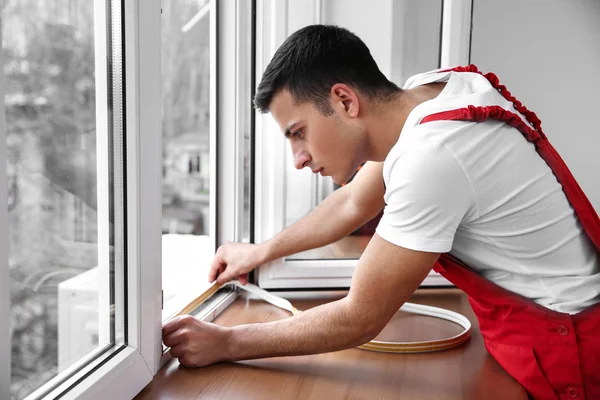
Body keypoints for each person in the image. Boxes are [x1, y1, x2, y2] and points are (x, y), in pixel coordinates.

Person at [162, 25, 600, 399]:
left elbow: (360, 317)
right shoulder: (432, 92)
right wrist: (261, 251)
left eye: (298, 133)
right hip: (543, 330)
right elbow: (354, 201)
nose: (297, 158)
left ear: (345, 101)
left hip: (570, 350)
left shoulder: (434, 154)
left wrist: (226, 342)